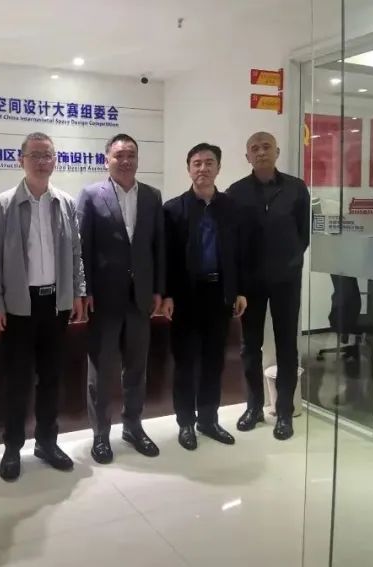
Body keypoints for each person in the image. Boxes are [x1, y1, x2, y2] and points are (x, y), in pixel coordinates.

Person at [0, 132, 86, 481]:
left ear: (55, 160)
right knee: (17, 380)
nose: (42, 161)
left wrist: (77, 293)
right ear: (21, 160)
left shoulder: (65, 202)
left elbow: (76, 253)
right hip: (18, 306)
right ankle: (12, 447)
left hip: (55, 304)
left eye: (48, 155)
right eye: (35, 155)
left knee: (51, 378)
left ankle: (46, 442)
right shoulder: (4, 204)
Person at [77, 133, 166, 464]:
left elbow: (158, 247)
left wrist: (159, 289)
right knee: (101, 370)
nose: (125, 160)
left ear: (138, 159)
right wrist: (84, 290)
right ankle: (101, 434)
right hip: (104, 299)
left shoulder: (152, 196)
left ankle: (133, 426)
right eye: (119, 155)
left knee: (137, 368)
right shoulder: (90, 195)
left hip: (140, 299)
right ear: (107, 160)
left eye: (131, 155)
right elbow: (82, 248)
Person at [162, 143, 247, 451]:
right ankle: (186, 422)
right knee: (185, 363)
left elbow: (239, 253)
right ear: (189, 169)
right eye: (196, 163)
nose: (203, 168)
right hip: (185, 296)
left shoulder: (231, 207)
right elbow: (166, 257)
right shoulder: (173, 209)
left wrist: (239, 290)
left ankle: (208, 419)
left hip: (219, 294)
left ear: (218, 168)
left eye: (209, 163)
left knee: (214, 361)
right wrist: (167, 294)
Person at [226, 131, 310, 441]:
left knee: (287, 346)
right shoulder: (236, 192)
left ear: (277, 151)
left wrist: (288, 262)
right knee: (250, 346)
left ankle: (284, 412)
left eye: (266, 147)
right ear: (247, 156)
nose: (261, 152)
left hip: (286, 280)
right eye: (254, 148)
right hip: (250, 283)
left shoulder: (296, 188)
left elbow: (303, 234)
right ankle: (254, 407)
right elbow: (232, 242)